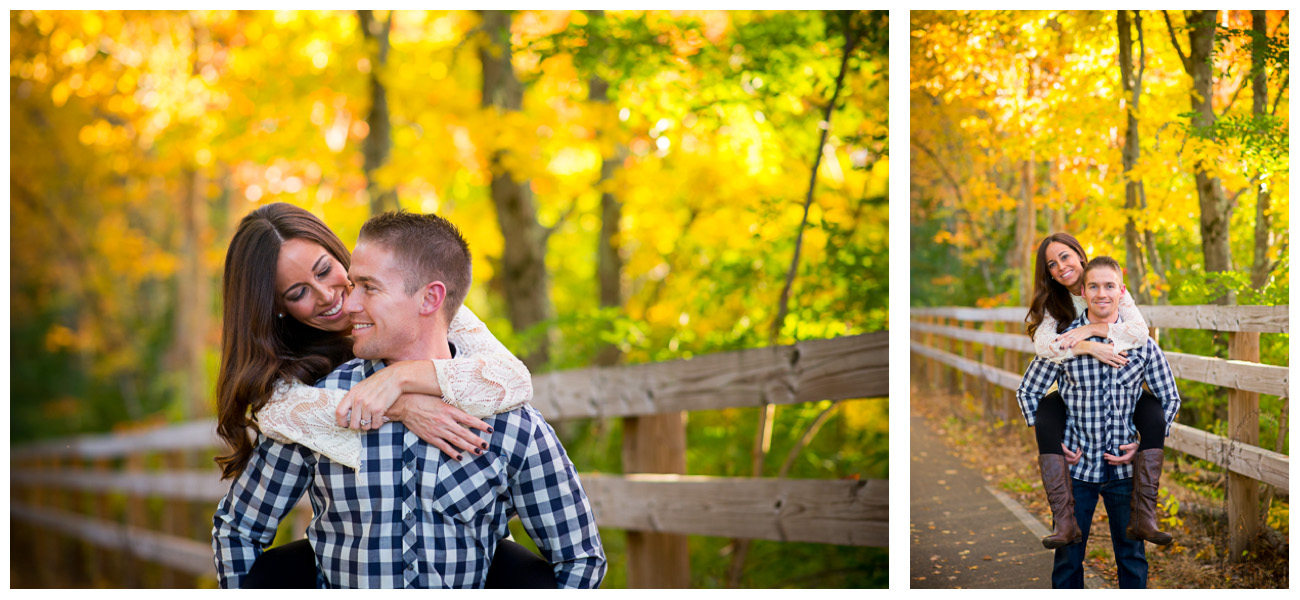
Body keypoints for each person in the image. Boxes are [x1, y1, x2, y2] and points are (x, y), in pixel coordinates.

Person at [213, 210, 606, 588]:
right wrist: (396, 406)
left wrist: (402, 378)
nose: (341, 302)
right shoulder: (301, 398)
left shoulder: (503, 412)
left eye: (330, 273)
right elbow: (239, 529)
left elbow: (514, 379)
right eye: (297, 293)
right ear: (276, 308)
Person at [1016, 256, 1181, 589]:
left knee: (1132, 558)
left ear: (1121, 291)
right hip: (1078, 470)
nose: (1101, 293)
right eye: (1094, 286)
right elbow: (1027, 392)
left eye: (1109, 286)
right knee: (1068, 559)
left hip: (1126, 471)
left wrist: (1143, 442)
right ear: (1084, 291)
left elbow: (1170, 398)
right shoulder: (1065, 341)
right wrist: (1055, 443)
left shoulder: (1140, 343)